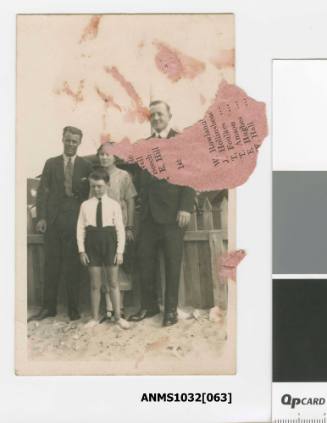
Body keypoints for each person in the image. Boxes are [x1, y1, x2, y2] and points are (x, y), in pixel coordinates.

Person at [128, 100, 196, 326]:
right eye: (153, 115)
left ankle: (170, 312)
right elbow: (141, 177)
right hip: (148, 216)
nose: (156, 118)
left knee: (172, 264)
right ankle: (149, 307)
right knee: (145, 261)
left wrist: (185, 206)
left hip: (172, 215)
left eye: (160, 114)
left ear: (169, 115)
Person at [31, 126, 93, 321]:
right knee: (51, 264)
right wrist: (42, 218)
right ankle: (48, 307)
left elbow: (91, 194)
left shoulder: (86, 165)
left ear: (79, 143)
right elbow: (42, 192)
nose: (70, 144)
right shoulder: (51, 163)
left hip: (75, 222)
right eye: (68, 140)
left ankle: (73, 308)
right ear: (62, 139)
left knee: (73, 265)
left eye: (74, 141)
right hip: (54, 221)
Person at [77, 168, 129, 329]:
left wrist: (120, 251)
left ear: (107, 184)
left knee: (113, 282)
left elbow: (120, 229)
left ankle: (118, 317)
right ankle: (94, 317)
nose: (96, 189)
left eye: (99, 186)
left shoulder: (114, 205)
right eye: (93, 186)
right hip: (92, 244)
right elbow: (80, 228)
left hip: (109, 242)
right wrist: (82, 250)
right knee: (95, 284)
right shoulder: (85, 205)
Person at [95, 143, 137, 321]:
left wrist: (129, 227)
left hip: (119, 227)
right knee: (105, 267)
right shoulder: (96, 177)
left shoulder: (123, 176)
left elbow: (130, 201)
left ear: (115, 156)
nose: (104, 157)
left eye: (108, 154)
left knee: (120, 266)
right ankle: (109, 309)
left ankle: (120, 306)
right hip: (101, 228)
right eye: (101, 154)